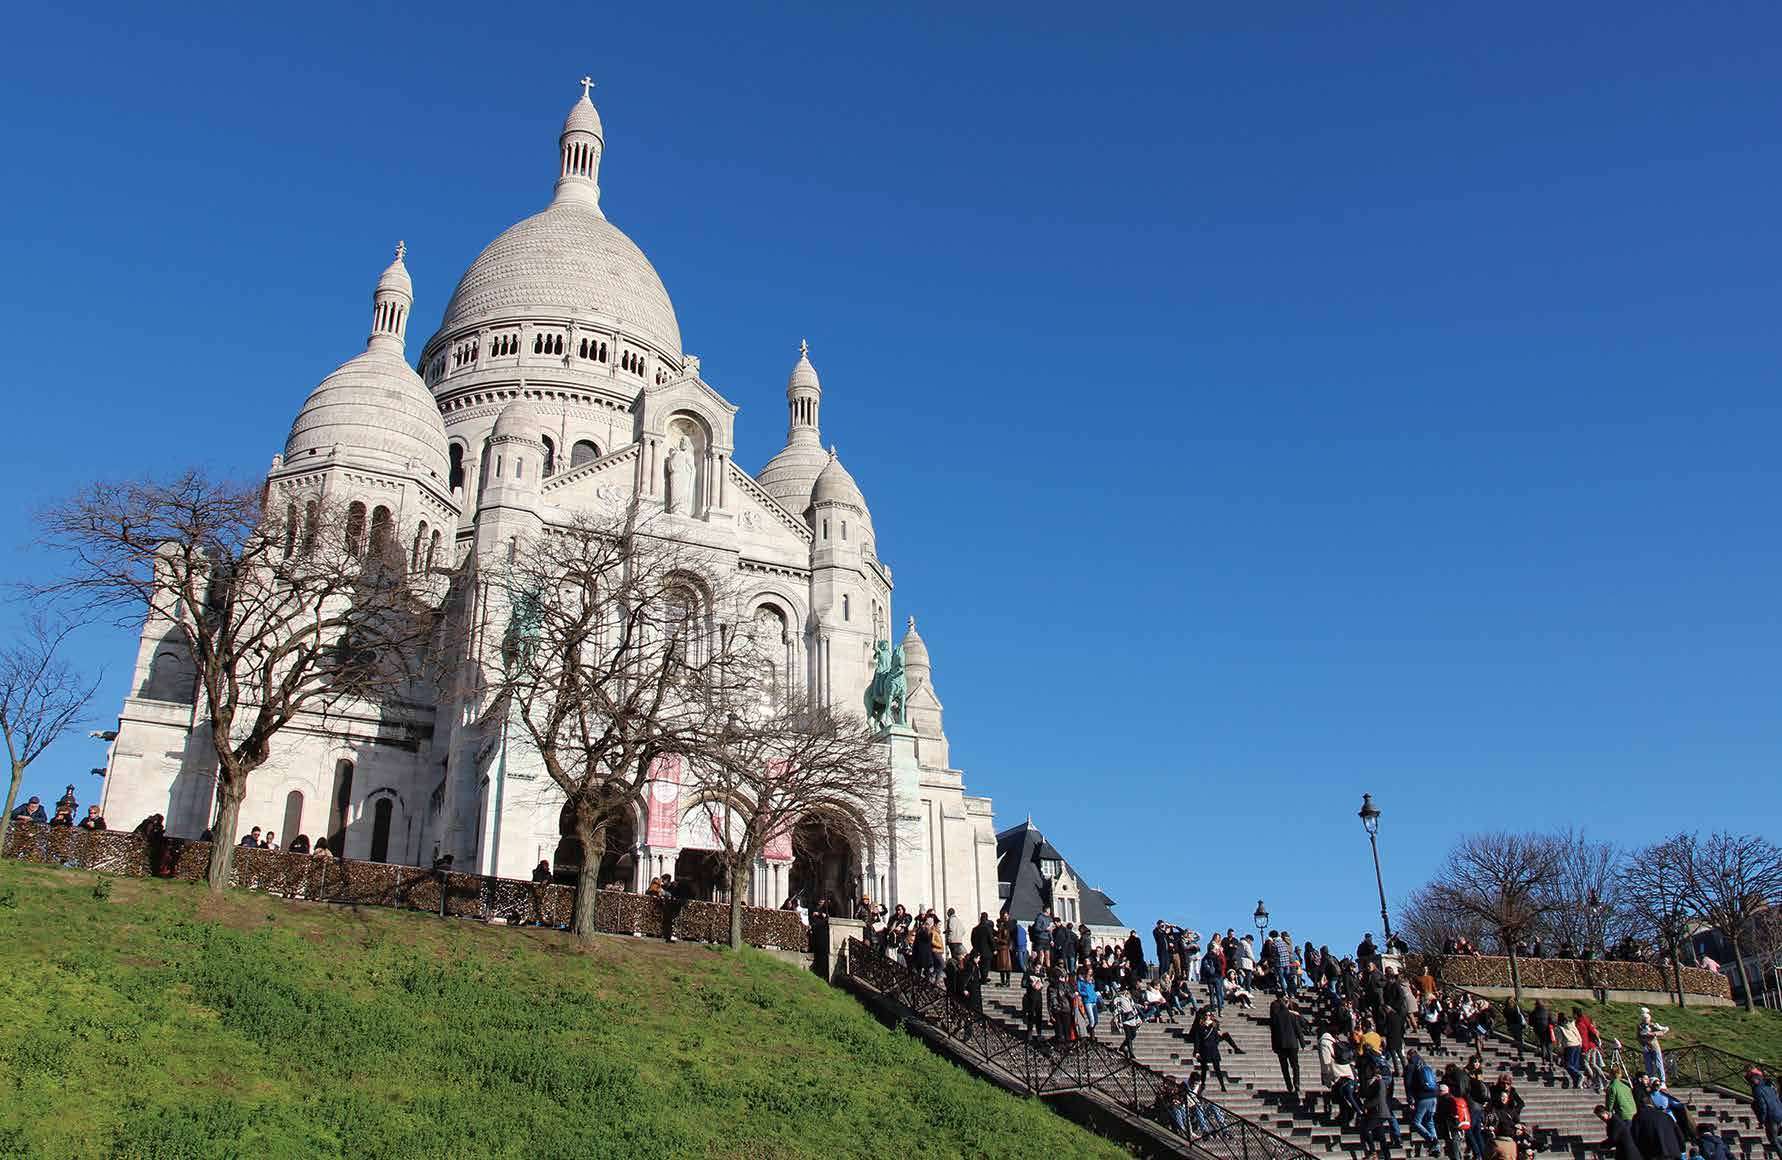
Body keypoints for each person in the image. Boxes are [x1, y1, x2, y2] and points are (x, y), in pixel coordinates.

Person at [1188, 1008, 1242, 1093]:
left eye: (1209, 1015)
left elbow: (1217, 1037)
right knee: (1204, 1069)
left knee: (1217, 1069)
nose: (1207, 1017)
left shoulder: (1214, 1025)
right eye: (1206, 1015)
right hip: (1204, 1049)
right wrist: (1196, 1051)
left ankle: (1222, 1086)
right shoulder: (1200, 1026)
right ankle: (1202, 1085)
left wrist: (1214, 1044)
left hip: (1213, 1049)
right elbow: (1197, 1040)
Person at [1632, 1090, 1684, 1160]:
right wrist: (1682, 1149)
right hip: (1673, 1153)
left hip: (1654, 1154)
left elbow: (1636, 1137)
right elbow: (1679, 1134)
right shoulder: (1665, 1116)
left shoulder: (1638, 1117)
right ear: (1652, 1103)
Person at [1269, 993, 1303, 1095]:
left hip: (1280, 1045)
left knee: (1284, 1067)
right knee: (1295, 1065)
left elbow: (1273, 1032)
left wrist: (1273, 1045)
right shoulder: (1292, 1016)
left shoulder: (1276, 1018)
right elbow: (1298, 1030)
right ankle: (1296, 1083)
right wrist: (1302, 1042)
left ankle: (1289, 1085)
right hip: (1292, 1044)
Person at [1406, 1048, 1439, 1149]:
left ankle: (1432, 1139)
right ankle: (1436, 1148)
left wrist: (1410, 1100)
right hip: (1434, 1097)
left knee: (1416, 1122)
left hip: (1423, 1098)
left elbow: (1408, 1084)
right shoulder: (1424, 1064)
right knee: (1429, 1122)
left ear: (1409, 1056)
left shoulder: (1410, 1066)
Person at [1750, 1068, 1782, 1154]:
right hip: (1779, 1113)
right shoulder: (1768, 1087)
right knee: (1773, 1136)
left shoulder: (1757, 1090)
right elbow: (1777, 1100)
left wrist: (1762, 1120)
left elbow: (1763, 1107)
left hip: (1772, 1116)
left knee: (1774, 1139)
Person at [1638, 1008, 1669, 1086]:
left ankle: (1662, 1081)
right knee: (1648, 1065)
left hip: (1654, 1047)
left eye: (1646, 1019)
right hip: (1646, 1047)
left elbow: (1662, 1032)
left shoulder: (1652, 1025)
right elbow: (1638, 1036)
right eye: (1643, 1019)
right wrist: (1642, 1041)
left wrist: (1653, 1034)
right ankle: (1651, 1079)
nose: (1645, 1021)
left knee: (1658, 1064)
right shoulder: (1639, 1026)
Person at [1557, 1011, 1584, 1089]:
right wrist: (1580, 1043)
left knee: (1567, 1065)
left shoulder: (1560, 1028)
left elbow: (1559, 1040)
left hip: (1569, 1046)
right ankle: (1577, 1083)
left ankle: (1579, 1075)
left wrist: (1559, 1050)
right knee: (1575, 1065)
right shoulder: (1571, 1024)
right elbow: (1577, 1034)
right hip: (1577, 1044)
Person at [1113, 985, 1141, 1057]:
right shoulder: (1118, 998)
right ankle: (1131, 1053)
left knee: (1133, 1035)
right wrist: (1116, 1018)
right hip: (1124, 1019)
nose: (1126, 992)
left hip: (1132, 1018)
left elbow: (1133, 1008)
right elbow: (1116, 1008)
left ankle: (1122, 1047)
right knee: (1128, 1036)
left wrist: (1138, 1018)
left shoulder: (1129, 998)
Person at [971, 911, 995, 981]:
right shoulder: (988, 929)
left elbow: (972, 940)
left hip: (978, 950)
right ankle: (984, 977)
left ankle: (983, 977)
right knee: (986, 965)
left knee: (981, 965)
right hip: (987, 950)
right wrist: (994, 948)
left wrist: (975, 948)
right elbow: (991, 940)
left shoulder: (975, 929)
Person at [993, 913, 1014, 986]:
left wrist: (998, 939)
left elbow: (1006, 940)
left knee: (1005, 967)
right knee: (1002, 967)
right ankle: (1004, 981)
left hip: (1004, 949)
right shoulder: (1001, 929)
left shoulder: (1005, 929)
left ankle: (1007, 981)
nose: (998, 925)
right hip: (1001, 949)